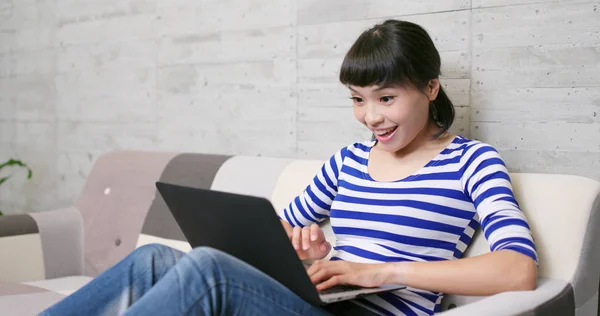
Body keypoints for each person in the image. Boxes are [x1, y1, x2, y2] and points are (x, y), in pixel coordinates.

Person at [39, 19, 537, 316]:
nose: (371, 117)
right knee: (154, 259)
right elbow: (280, 229)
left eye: (387, 98)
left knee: (208, 271)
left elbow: (518, 271)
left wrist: (375, 271)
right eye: (359, 100)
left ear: (430, 87)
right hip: (317, 303)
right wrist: (301, 250)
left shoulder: (473, 161)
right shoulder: (348, 161)